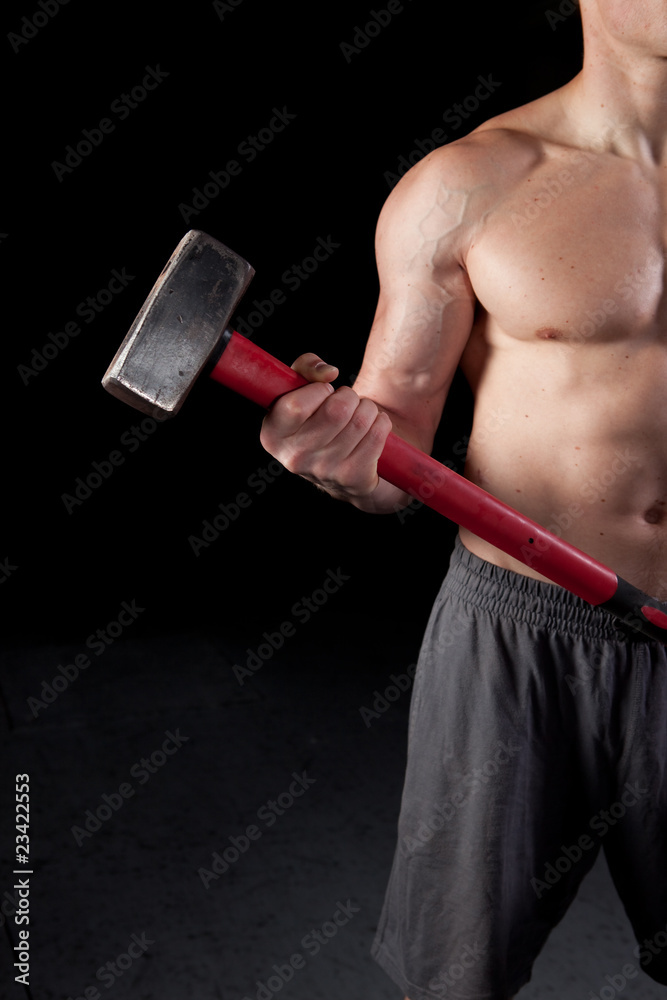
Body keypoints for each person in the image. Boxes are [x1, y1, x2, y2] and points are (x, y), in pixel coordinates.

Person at [260, 2, 667, 997]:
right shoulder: (471, 185)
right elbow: (390, 433)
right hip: (520, 638)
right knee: (456, 975)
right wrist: (343, 457)